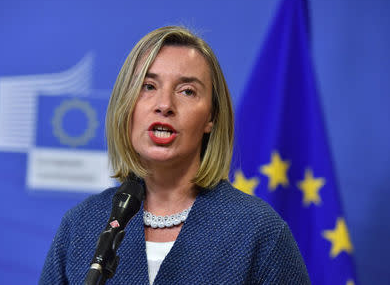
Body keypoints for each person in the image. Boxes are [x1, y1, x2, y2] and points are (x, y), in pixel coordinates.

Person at [40, 26, 310, 284]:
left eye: (187, 91)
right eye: (148, 86)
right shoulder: (81, 226)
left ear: (211, 117)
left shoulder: (259, 232)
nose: (165, 105)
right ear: (126, 104)